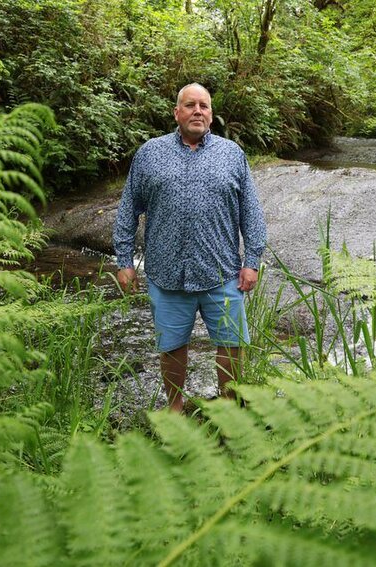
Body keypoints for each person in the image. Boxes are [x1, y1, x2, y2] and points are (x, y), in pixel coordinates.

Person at [113, 83, 267, 413]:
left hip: (222, 271)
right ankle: (175, 407)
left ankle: (228, 408)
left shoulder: (231, 154)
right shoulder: (150, 154)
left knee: (231, 344)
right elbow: (129, 208)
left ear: (211, 115)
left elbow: (250, 211)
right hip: (167, 274)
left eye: (204, 106)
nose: (198, 111)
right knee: (171, 345)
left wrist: (252, 260)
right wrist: (124, 260)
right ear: (177, 113)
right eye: (190, 105)